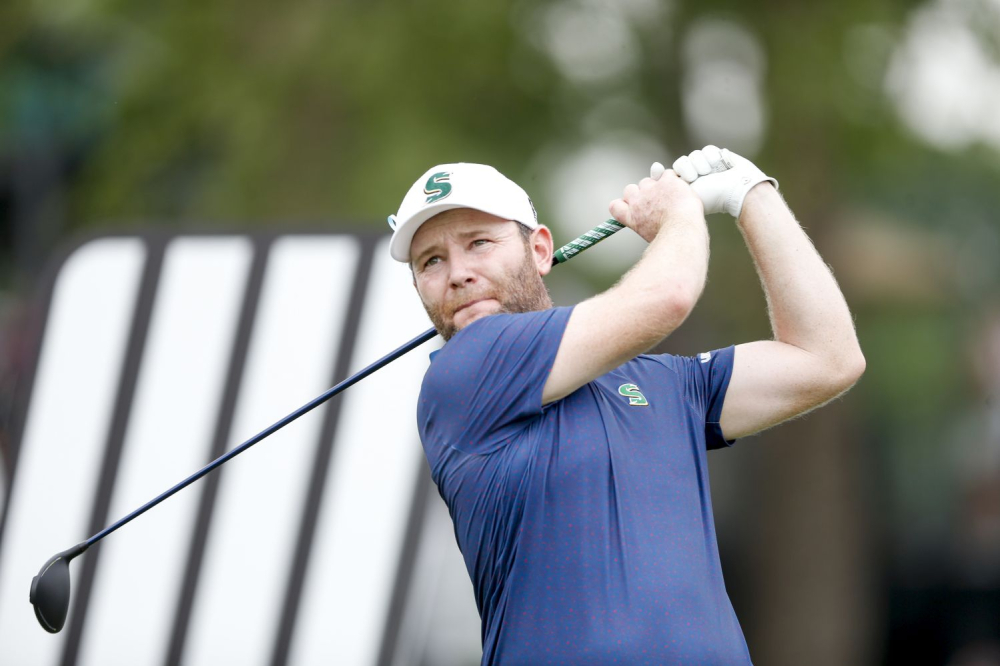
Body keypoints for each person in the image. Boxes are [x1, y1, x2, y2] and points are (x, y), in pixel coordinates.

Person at [387, 146, 865, 665]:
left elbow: (827, 358)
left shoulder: (664, 382)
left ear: (540, 250)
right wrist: (679, 213)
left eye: (478, 243)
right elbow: (667, 298)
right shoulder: (463, 374)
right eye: (431, 261)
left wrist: (752, 196)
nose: (457, 273)